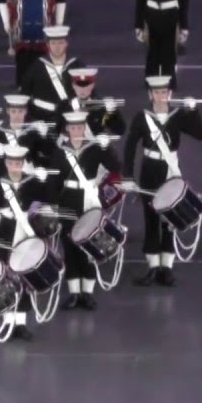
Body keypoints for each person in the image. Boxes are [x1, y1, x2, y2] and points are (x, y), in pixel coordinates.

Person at [122, 75, 202, 285]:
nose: (161, 96)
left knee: (170, 219)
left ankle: (167, 268)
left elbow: (201, 134)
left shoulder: (178, 116)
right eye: (157, 92)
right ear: (150, 94)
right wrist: (128, 177)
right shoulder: (142, 117)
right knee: (151, 220)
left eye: (164, 92)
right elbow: (130, 147)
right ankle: (153, 267)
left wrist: (193, 111)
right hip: (149, 170)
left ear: (169, 94)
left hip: (170, 170)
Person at [49, 111, 120, 310]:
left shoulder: (95, 149)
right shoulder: (60, 152)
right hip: (68, 202)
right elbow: (53, 182)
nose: (77, 131)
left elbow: (116, 167)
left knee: (89, 248)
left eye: (80, 127)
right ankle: (74, 292)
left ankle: (87, 293)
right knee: (70, 248)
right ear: (68, 130)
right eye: (73, 128)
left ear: (84, 128)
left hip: (88, 201)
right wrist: (54, 205)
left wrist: (108, 149)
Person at [0, 145, 54, 339]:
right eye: (11, 163)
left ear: (23, 164)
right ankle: (8, 320)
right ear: (6, 164)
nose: (14, 166)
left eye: (18, 163)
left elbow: (47, 201)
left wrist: (45, 182)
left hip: (26, 235)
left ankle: (21, 322)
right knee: (6, 279)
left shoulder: (31, 183)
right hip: (4, 238)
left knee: (25, 278)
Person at [18, 25, 81, 124]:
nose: (57, 47)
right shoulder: (37, 66)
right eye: (53, 43)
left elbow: (88, 92)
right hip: (42, 119)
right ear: (48, 45)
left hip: (72, 120)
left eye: (60, 43)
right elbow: (24, 95)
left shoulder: (76, 65)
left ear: (66, 44)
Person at [59, 68, 125, 140]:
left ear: (92, 85)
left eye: (86, 85)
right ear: (73, 86)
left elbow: (119, 130)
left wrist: (112, 112)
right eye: (79, 85)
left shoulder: (101, 107)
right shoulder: (64, 106)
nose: (82, 89)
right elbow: (56, 131)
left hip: (94, 149)